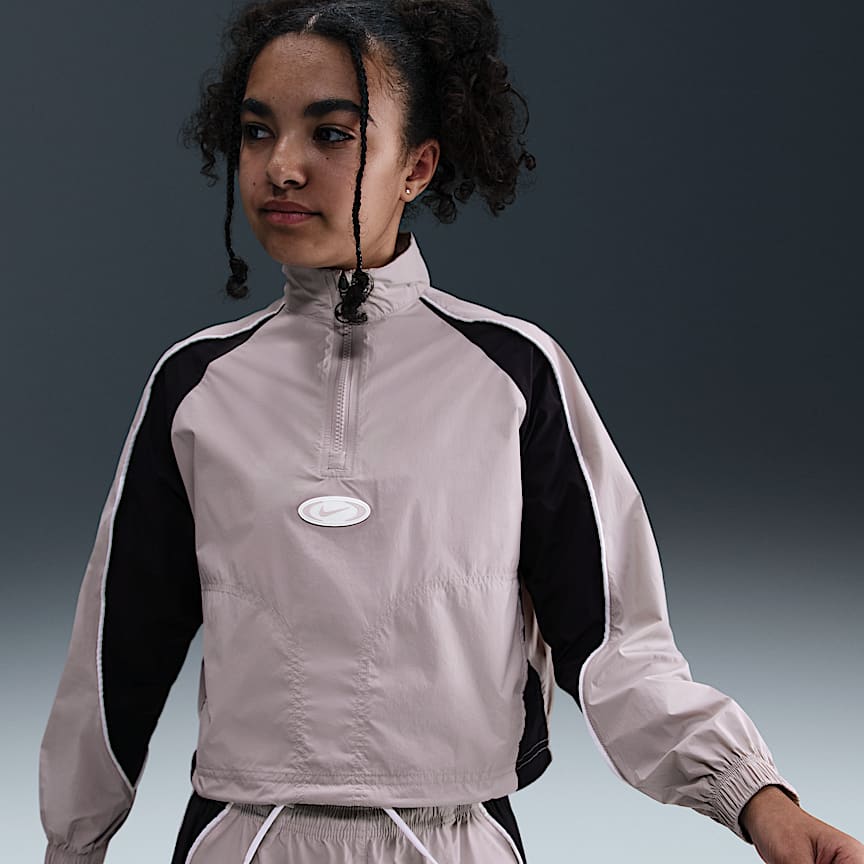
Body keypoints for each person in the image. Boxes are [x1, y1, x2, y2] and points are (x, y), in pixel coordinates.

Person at [37, 1, 863, 863]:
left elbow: (615, 649)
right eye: (256, 132)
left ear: (417, 166)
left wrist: (753, 797)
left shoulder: (514, 375)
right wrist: (71, 845)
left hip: (452, 839)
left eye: (331, 134)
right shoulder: (194, 386)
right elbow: (112, 659)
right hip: (241, 838)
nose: (281, 166)